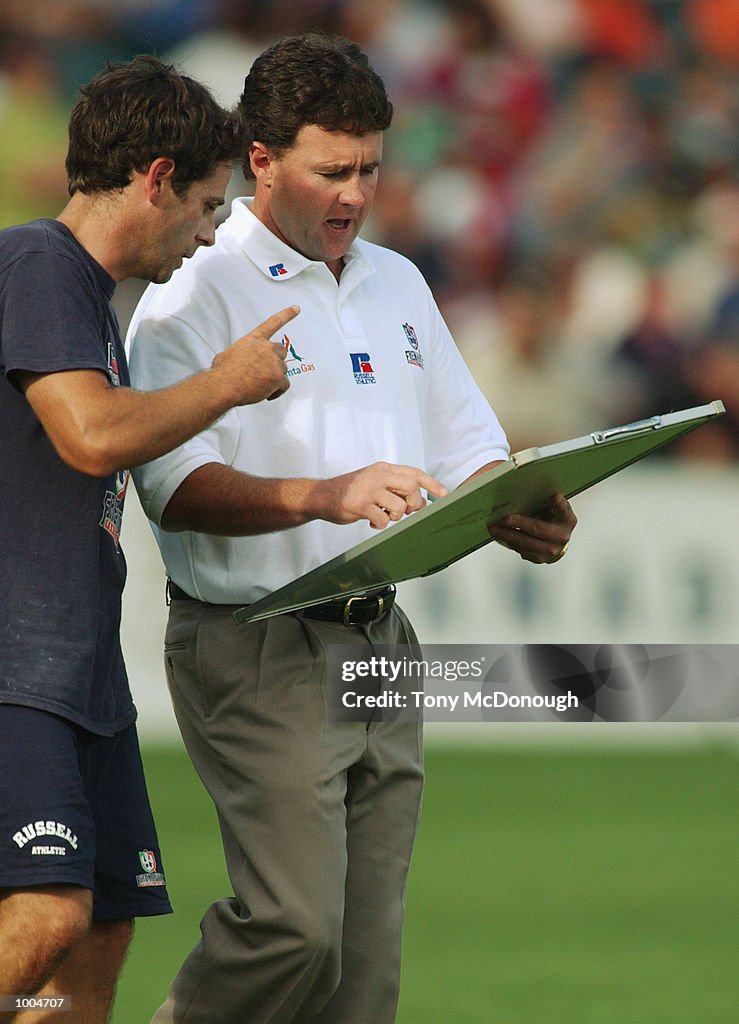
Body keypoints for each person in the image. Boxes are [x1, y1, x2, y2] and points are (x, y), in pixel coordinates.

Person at [127, 33, 577, 1024]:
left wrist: (514, 501)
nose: (355, 194)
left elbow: (469, 448)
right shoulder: (190, 286)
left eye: (371, 168)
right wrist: (325, 495)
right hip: (255, 639)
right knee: (295, 929)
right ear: (260, 159)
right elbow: (169, 488)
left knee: (361, 982)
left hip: (381, 641)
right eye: (332, 170)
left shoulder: (398, 281)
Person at [0, 55, 294, 1023]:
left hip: (81, 672)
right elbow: (89, 436)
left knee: (100, 933)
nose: (210, 233)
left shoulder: (97, 305)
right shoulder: (39, 262)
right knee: (44, 916)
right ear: (156, 178)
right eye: (207, 205)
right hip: (18, 664)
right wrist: (225, 382)